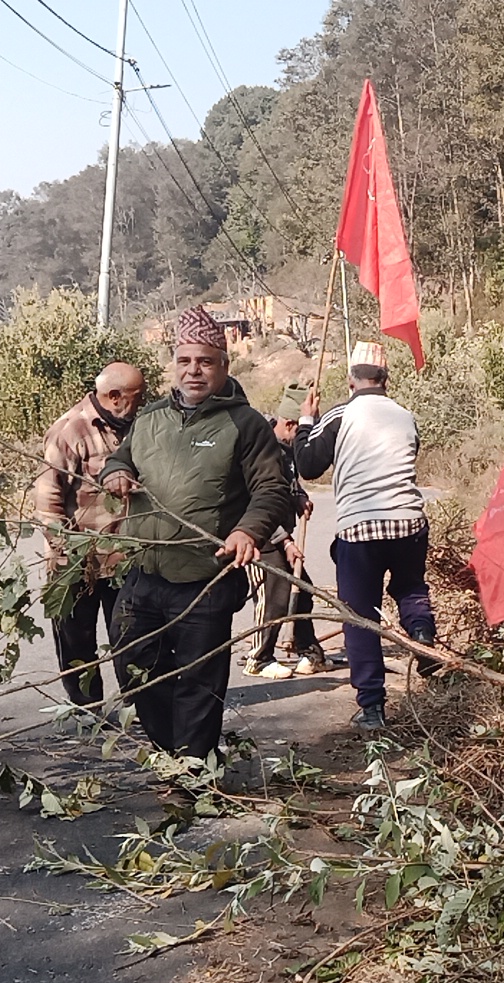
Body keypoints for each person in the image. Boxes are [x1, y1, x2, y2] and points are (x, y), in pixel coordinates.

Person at [98, 306, 295, 761]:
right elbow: (119, 458)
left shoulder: (244, 425)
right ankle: (176, 755)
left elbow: (272, 490)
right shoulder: (149, 418)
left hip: (206, 577)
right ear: (173, 364)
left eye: (205, 361)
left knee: (199, 683)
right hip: (144, 572)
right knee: (134, 671)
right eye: (185, 361)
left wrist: (249, 531)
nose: (194, 371)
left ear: (223, 367)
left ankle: (190, 773)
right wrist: (116, 473)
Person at [295, 342, 438, 731]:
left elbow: (307, 465)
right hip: (409, 521)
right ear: (385, 379)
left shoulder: (342, 414)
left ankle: (372, 707)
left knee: (359, 616)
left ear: (351, 379)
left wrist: (307, 421)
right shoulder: (405, 416)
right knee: (410, 588)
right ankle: (423, 635)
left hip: (360, 528)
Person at [32, 361, 146, 709]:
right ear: (114, 397)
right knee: (76, 642)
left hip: (124, 561)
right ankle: (87, 708)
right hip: (77, 562)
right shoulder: (70, 431)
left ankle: (140, 705)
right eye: (135, 398)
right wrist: (67, 554)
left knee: (132, 637)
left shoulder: (135, 428)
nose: (140, 405)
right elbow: (47, 500)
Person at [244, 385, 329, 679]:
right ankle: (259, 657)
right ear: (290, 424)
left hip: (282, 536)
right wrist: (286, 540)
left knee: (302, 591)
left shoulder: (287, 448)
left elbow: (287, 484)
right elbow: (259, 499)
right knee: (274, 596)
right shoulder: (260, 447)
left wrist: (299, 497)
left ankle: (309, 651)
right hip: (262, 537)